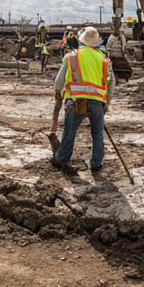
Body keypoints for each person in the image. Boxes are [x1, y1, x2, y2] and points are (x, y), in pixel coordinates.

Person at [52, 26, 114, 175]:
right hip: (97, 101)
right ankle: (96, 164)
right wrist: (107, 103)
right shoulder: (105, 60)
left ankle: (62, 158)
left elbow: (58, 82)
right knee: (97, 133)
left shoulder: (72, 56)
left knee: (69, 131)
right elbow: (111, 83)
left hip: (74, 100)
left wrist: (58, 93)